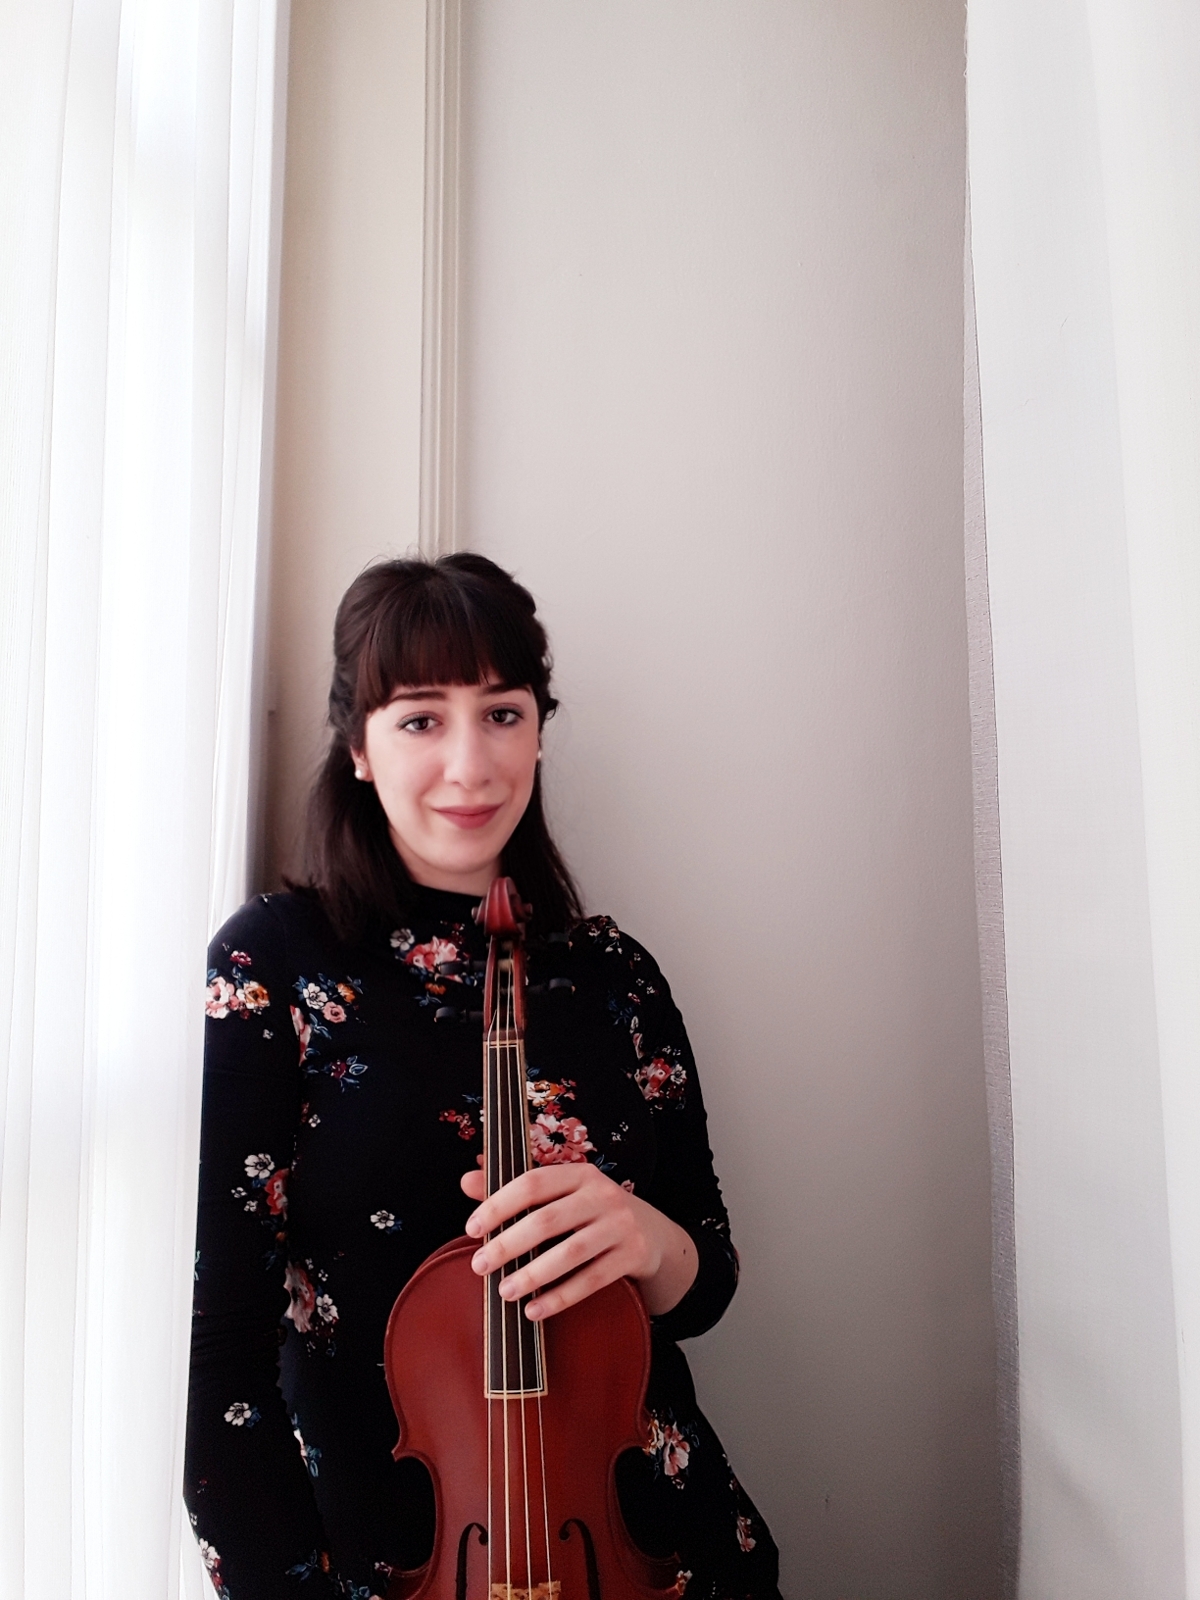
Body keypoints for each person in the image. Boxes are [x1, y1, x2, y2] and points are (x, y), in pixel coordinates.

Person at [186, 553, 781, 1600]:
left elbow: (707, 1283)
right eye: (421, 719)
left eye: (502, 714)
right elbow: (220, 1358)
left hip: (649, 1552)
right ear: (358, 746)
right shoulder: (274, 963)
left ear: (539, 731)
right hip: (402, 1564)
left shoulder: (614, 974)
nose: (471, 765)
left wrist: (648, 1240)